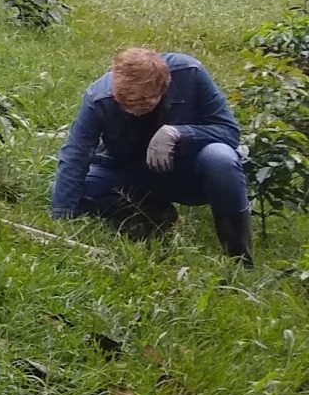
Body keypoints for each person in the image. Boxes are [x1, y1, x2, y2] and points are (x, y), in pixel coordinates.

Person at [50, 46, 251, 261]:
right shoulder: (98, 97)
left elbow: (229, 132)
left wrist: (181, 133)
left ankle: (238, 255)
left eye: (142, 103)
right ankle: (155, 214)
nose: (132, 110)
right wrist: (61, 223)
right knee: (68, 189)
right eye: (123, 102)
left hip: (190, 172)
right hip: (131, 173)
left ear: (163, 87)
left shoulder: (190, 73)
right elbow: (75, 154)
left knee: (221, 157)